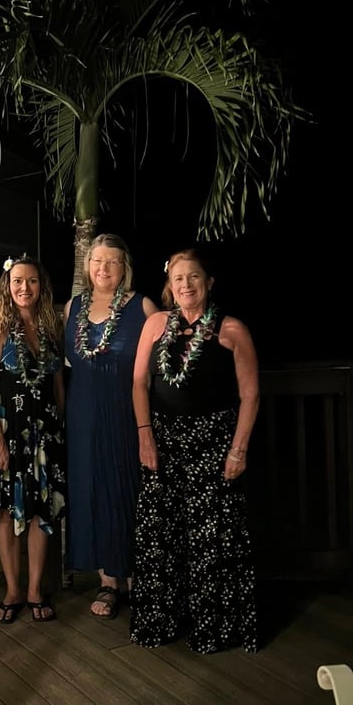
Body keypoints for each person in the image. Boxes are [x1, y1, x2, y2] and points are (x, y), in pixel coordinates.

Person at [130, 247, 259, 653]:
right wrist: (145, 435)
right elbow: (139, 384)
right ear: (170, 285)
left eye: (194, 277)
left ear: (209, 282)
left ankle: (213, 627)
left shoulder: (232, 329)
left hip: (213, 443)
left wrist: (238, 450)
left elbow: (250, 395)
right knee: (161, 535)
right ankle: (162, 622)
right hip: (163, 442)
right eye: (178, 278)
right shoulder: (155, 324)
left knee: (212, 539)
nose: (185, 285)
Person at [62, 234, 157, 619]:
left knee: (127, 489)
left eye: (112, 262)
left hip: (126, 412)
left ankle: (137, 576)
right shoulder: (72, 308)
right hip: (82, 414)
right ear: (88, 267)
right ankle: (107, 581)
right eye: (97, 261)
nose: (104, 268)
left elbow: (160, 366)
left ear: (124, 268)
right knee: (92, 490)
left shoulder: (142, 306)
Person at [0, 256, 66, 623]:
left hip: (45, 436)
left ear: (41, 286)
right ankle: (13, 590)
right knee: (8, 512)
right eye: (17, 281)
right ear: (7, 285)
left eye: (31, 281)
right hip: (10, 435)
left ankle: (34, 591)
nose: (24, 288)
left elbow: (58, 385)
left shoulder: (50, 328)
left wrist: (59, 427)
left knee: (42, 513)